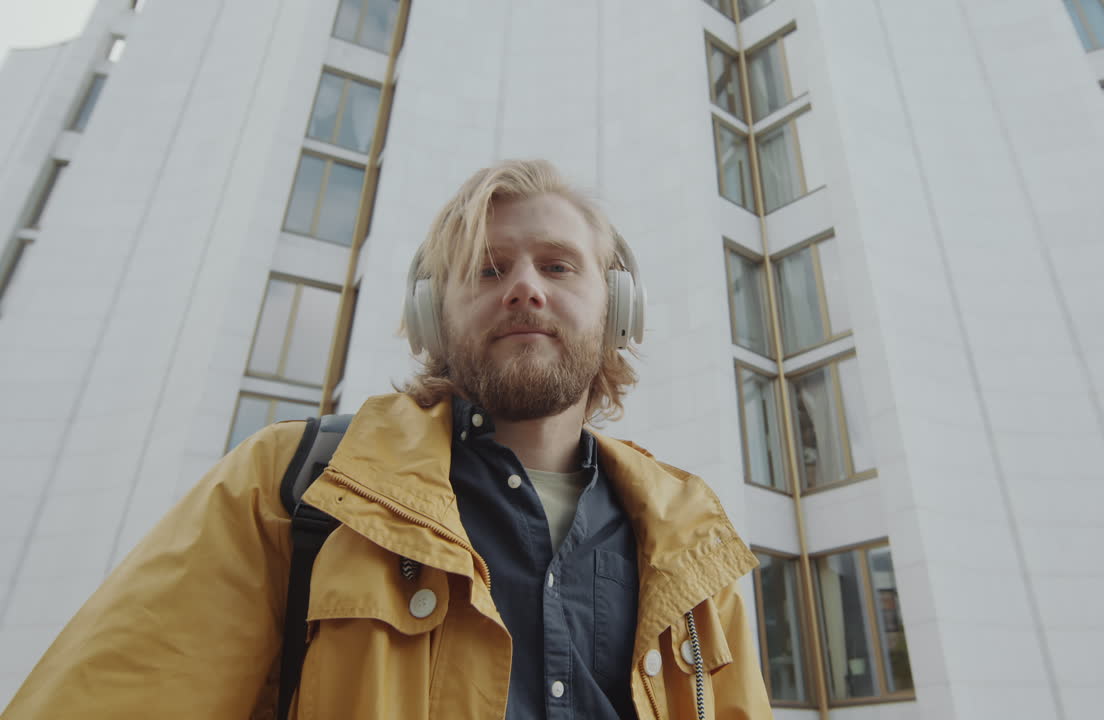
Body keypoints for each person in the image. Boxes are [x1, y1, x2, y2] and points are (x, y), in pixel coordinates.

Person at [2, 159, 771, 719]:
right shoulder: (294, 484)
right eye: (488, 268)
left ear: (618, 310)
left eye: (560, 266)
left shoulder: (687, 542)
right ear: (437, 317)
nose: (525, 286)